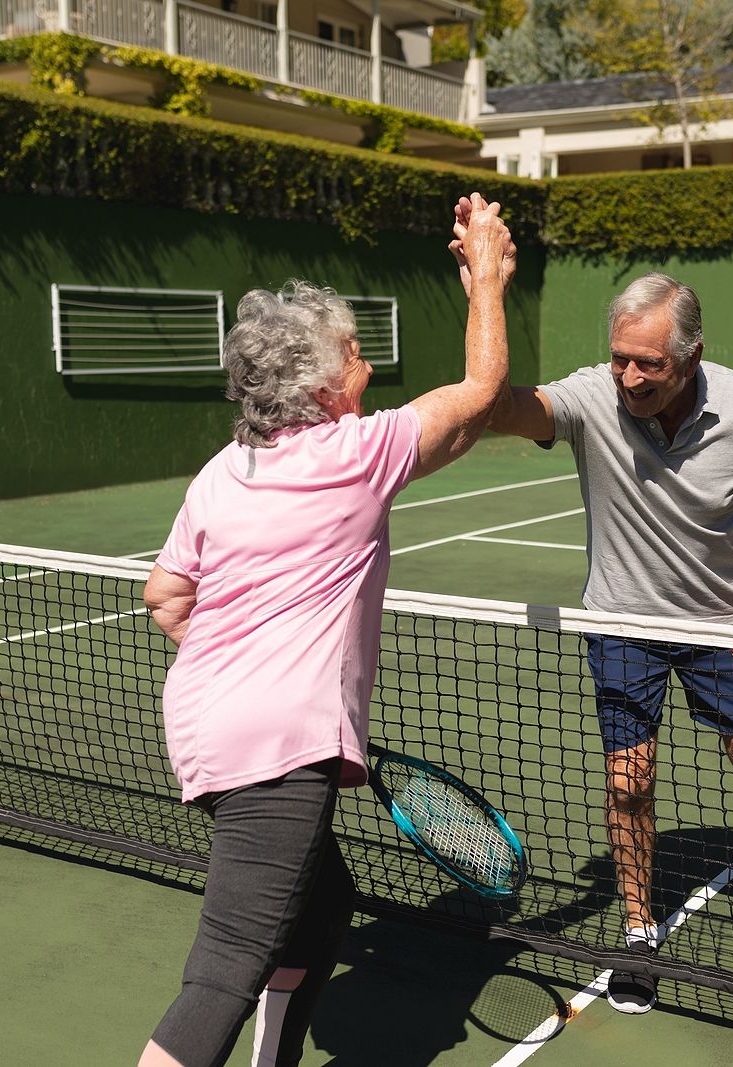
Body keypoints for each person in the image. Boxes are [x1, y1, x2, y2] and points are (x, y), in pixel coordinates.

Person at [138, 193, 516, 1067]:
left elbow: (165, 594)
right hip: (277, 746)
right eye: (351, 349)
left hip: (202, 725)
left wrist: (235, 663)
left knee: (323, 906)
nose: (364, 357)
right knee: (225, 967)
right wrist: (487, 278)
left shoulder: (224, 470)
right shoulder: (353, 457)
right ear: (318, 385)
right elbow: (481, 393)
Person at [453, 216, 733, 1012]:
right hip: (620, 623)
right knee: (630, 783)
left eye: (647, 362)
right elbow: (499, 408)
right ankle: (638, 930)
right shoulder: (591, 396)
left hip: (723, 623)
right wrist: (487, 293)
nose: (627, 375)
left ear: (691, 355)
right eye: (619, 355)